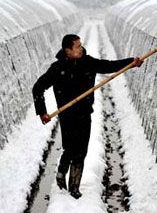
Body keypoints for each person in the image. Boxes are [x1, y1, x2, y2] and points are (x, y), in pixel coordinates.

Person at [32, 34, 143, 199]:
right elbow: (37, 88)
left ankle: (74, 187)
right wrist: (42, 112)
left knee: (81, 150)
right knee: (70, 148)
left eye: (81, 45)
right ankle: (62, 171)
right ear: (67, 50)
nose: (81, 48)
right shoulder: (57, 69)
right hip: (67, 115)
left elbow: (108, 66)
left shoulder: (87, 62)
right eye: (77, 46)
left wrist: (131, 62)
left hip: (84, 113)